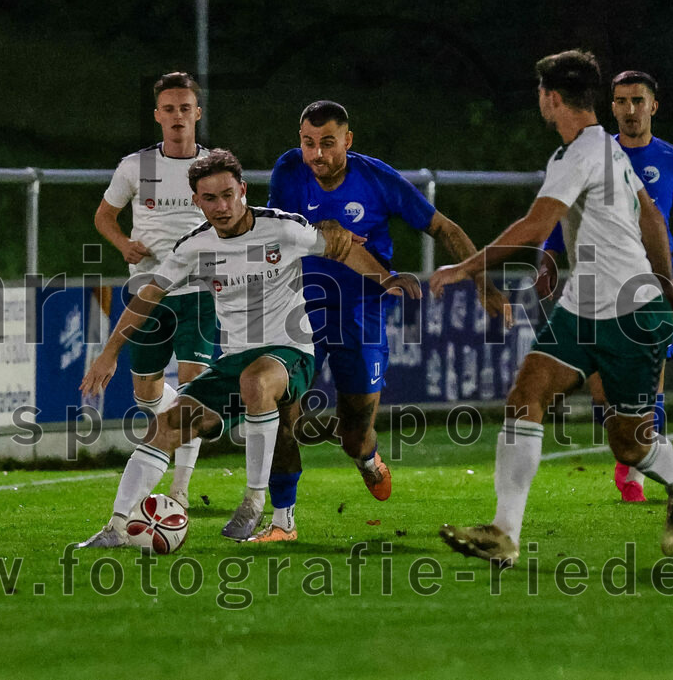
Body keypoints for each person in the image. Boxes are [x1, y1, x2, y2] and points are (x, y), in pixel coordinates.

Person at [433, 50, 673, 567]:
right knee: (525, 394)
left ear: (550, 98)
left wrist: (463, 269)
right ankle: (504, 534)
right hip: (583, 308)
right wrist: (667, 278)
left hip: (628, 312)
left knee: (628, 444)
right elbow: (651, 217)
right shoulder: (605, 148)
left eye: (540, 93)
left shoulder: (580, 154)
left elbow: (536, 228)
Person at [77, 149, 420, 547]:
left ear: (243, 189)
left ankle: (254, 501)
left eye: (228, 194)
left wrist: (387, 278)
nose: (221, 206)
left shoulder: (282, 229)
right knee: (166, 426)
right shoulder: (193, 247)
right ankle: (117, 527)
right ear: (196, 202)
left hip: (291, 351)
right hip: (234, 361)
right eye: (210, 199)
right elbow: (148, 295)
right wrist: (109, 352)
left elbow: (340, 245)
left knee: (256, 382)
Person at [256, 100, 511, 542]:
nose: (316, 155)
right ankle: (282, 520)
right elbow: (276, 230)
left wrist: (481, 282)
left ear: (348, 142)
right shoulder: (288, 171)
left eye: (328, 144)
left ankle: (368, 458)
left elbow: (444, 228)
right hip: (298, 307)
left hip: (363, 310)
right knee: (281, 410)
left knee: (353, 432)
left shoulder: (376, 178)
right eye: (308, 143)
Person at [536, 70, 673, 502]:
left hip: (649, 287)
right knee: (604, 391)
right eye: (621, 101)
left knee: (649, 384)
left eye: (638, 100)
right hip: (597, 285)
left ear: (653, 106)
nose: (630, 109)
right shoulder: (591, 155)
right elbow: (561, 207)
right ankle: (635, 457)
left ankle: (635, 474)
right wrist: (548, 253)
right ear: (611, 106)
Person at [94, 71, 216, 509]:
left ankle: (179, 490)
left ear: (197, 113)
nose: (178, 116)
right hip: (146, 290)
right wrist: (124, 244)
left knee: (193, 389)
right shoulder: (136, 166)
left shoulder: (216, 165)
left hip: (200, 290)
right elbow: (104, 216)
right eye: (170, 109)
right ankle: (168, 421)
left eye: (185, 108)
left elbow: (237, 222)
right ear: (158, 116)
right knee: (146, 393)